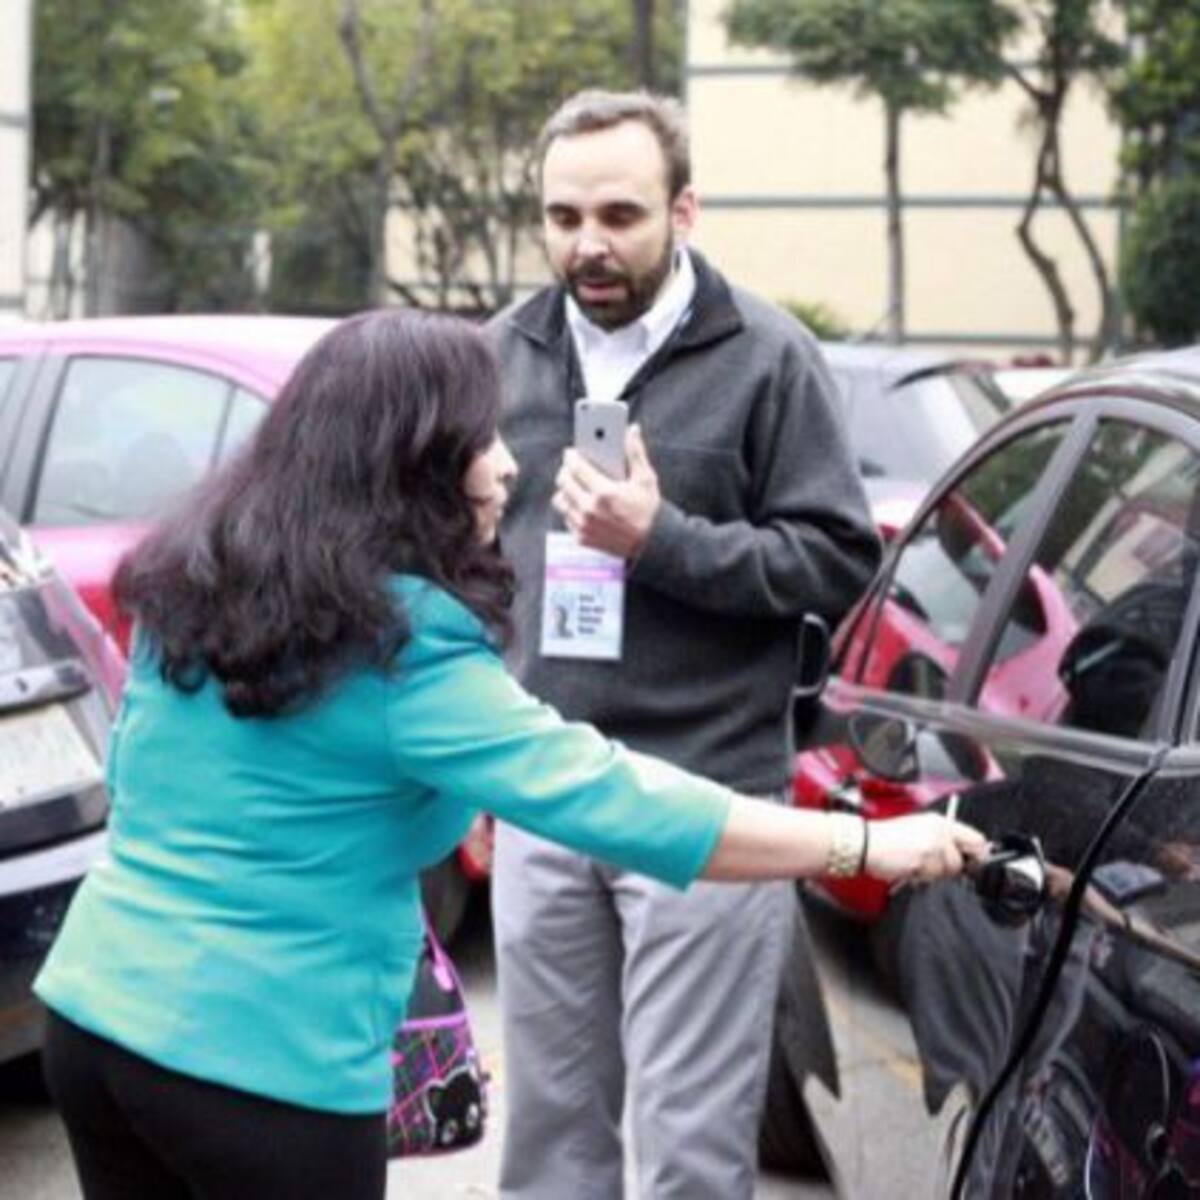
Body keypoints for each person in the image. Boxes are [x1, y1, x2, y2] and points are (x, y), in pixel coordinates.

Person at [34, 310, 981, 1200]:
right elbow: (619, 801)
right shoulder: (405, 650)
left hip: (96, 1019)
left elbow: (150, 780)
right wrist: (862, 845)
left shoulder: (195, 581)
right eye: (481, 440)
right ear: (414, 465)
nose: (507, 465)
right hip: (261, 1070)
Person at [489, 90, 882, 1199]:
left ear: (684, 211)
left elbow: (837, 559)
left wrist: (659, 542)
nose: (589, 244)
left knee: (691, 1147)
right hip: (546, 790)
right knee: (550, 1140)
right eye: (564, 217)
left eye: (620, 215)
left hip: (706, 796)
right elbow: (462, 562)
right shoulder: (501, 354)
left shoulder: (769, 357)